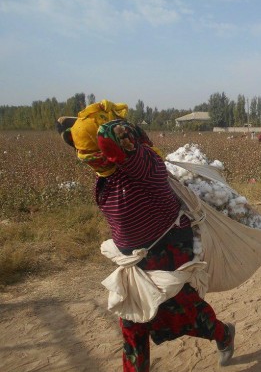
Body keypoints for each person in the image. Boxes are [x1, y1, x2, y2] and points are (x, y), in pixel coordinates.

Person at [56, 101, 235, 372]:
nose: (90, 160)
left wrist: (106, 129)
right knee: (132, 322)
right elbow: (85, 139)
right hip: (135, 261)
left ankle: (222, 334)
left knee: (182, 314)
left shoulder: (144, 166)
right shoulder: (108, 173)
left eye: (94, 152)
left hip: (168, 250)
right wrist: (78, 130)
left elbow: (113, 140)